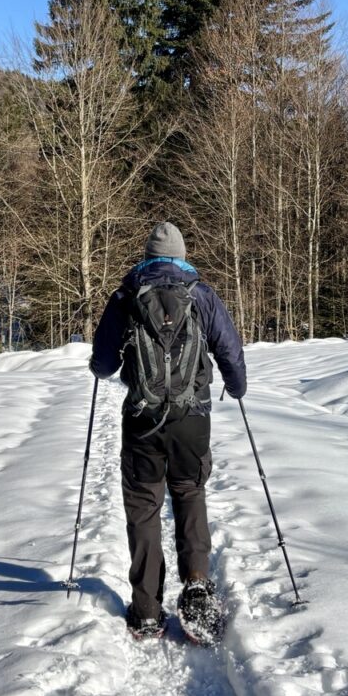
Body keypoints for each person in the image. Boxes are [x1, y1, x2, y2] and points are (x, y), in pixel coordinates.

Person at [89, 221, 247, 639]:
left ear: (147, 256)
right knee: (189, 494)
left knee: (144, 508)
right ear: (180, 256)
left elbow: (104, 365)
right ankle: (196, 586)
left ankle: (145, 610)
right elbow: (228, 349)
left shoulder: (126, 297)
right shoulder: (201, 296)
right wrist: (236, 385)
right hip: (192, 419)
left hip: (142, 420)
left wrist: (101, 362)